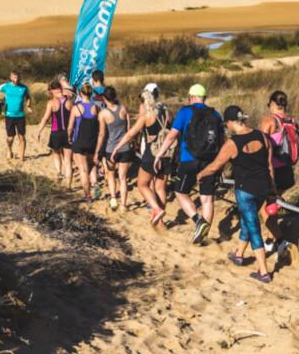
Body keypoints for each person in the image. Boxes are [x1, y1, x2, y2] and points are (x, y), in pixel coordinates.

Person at [199, 106, 277, 283]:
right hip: (263, 187)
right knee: (247, 220)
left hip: (246, 190)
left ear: (231, 122)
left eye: (226, 123)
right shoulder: (263, 137)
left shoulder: (232, 143)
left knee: (253, 226)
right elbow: (269, 166)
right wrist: (273, 191)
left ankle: (264, 272)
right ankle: (239, 254)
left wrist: (200, 174)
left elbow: (215, 166)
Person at [152, 83, 224, 245]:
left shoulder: (185, 112)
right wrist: (221, 164)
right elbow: (222, 140)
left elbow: (171, 136)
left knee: (181, 192)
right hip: (210, 161)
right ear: (204, 98)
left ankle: (199, 221)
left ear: (191, 97)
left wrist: (159, 155)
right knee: (207, 199)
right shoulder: (216, 114)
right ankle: (202, 237)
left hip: (188, 159)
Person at [258, 90, 299, 256]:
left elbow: (259, 147)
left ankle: (281, 243)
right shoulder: (292, 122)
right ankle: (270, 241)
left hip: (272, 172)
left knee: (264, 210)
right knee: (273, 207)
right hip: (287, 172)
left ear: (272, 103)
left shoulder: (269, 121)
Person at [110, 83, 172, 226]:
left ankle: (156, 210)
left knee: (142, 184)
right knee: (160, 188)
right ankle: (160, 221)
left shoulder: (147, 116)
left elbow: (131, 134)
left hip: (152, 152)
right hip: (166, 153)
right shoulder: (167, 111)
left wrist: (116, 148)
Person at [96, 86, 133, 211]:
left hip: (110, 148)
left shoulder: (103, 113)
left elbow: (102, 134)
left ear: (104, 98)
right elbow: (129, 129)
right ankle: (123, 205)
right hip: (125, 147)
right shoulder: (123, 109)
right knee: (123, 178)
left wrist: (97, 151)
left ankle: (113, 199)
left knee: (111, 173)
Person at [36, 80, 73, 186]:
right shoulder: (69, 101)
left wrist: (39, 131)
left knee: (56, 154)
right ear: (60, 88)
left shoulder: (51, 103)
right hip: (67, 132)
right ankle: (69, 183)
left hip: (56, 133)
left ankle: (59, 172)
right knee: (68, 158)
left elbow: (45, 118)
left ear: (51, 90)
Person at [68, 82, 100, 201]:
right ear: (91, 93)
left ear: (80, 93)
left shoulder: (76, 108)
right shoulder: (95, 107)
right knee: (92, 165)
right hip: (92, 141)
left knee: (83, 169)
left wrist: (69, 138)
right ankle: (95, 183)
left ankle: (87, 195)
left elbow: (70, 127)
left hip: (79, 141)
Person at [0, 70, 31, 162]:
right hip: (9, 115)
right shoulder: (6, 86)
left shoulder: (24, 87)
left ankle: (21, 157)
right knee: (10, 137)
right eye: (14, 77)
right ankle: (9, 150)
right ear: (11, 77)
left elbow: (28, 97)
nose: (16, 79)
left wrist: (28, 106)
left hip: (20, 115)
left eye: (18, 77)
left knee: (22, 136)